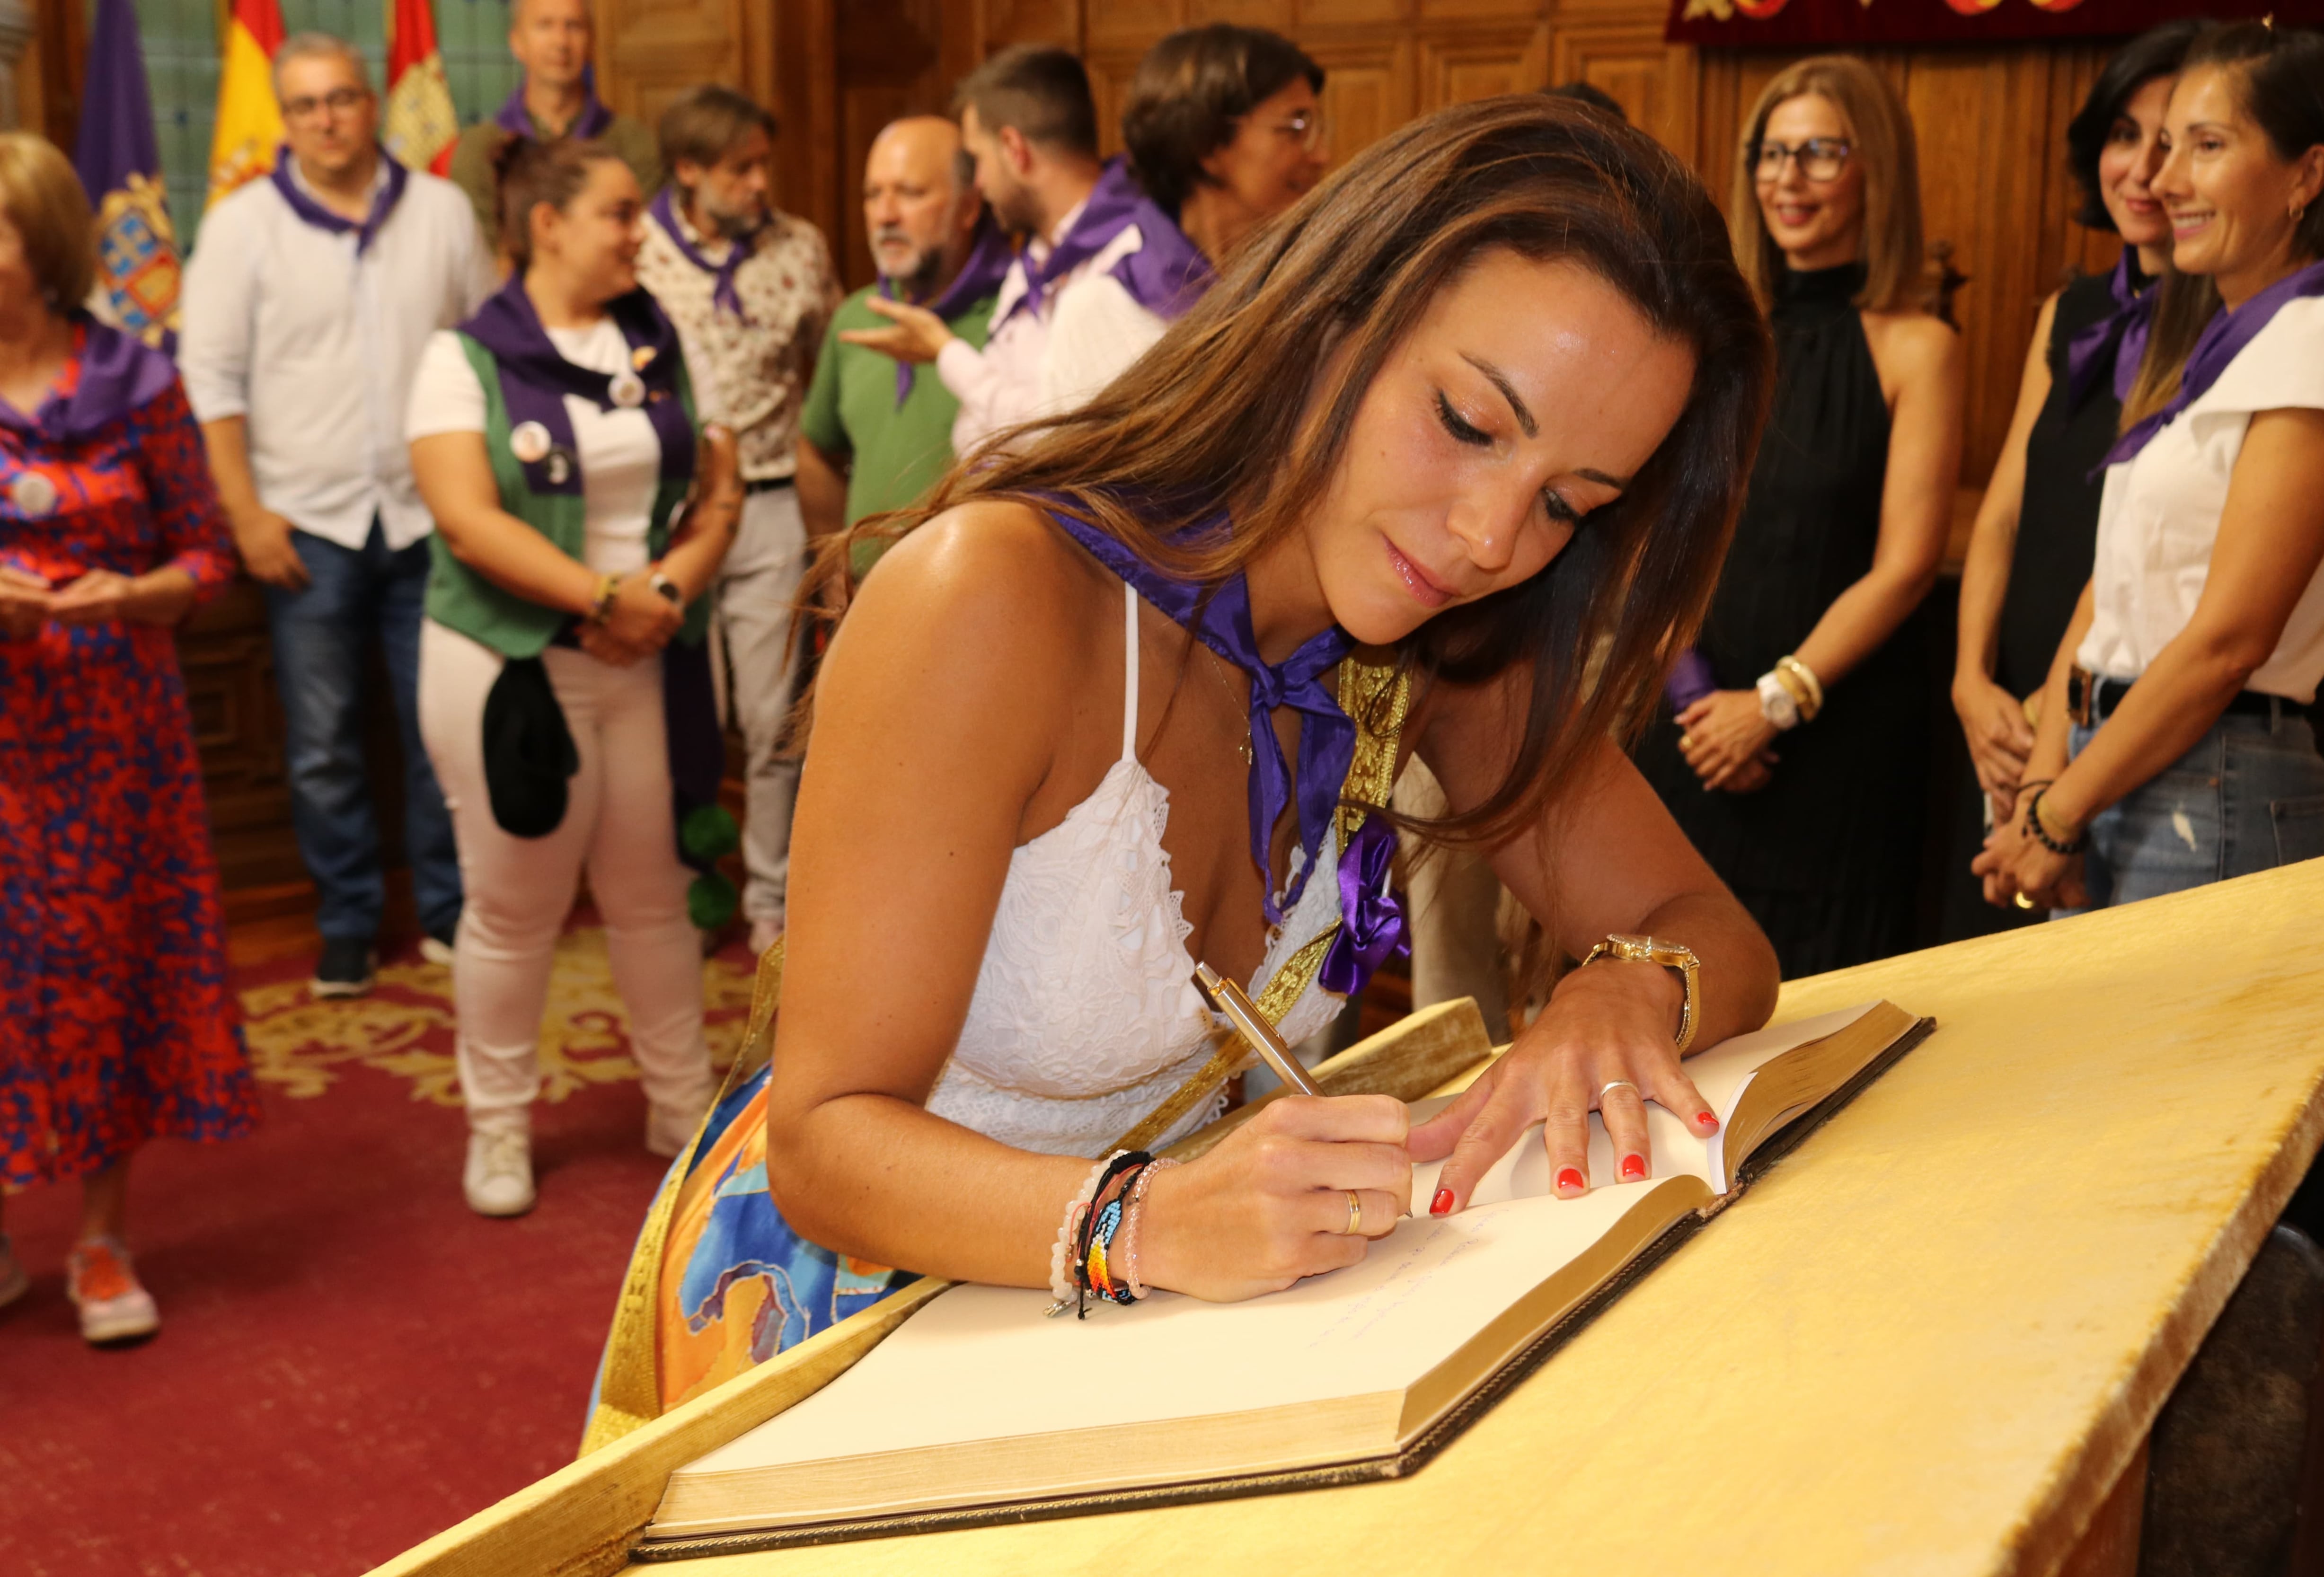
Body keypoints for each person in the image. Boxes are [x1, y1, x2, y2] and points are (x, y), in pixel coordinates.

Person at [583, 96, 1781, 1432]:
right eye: (1466, 419)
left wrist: (1627, 990)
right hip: (852, 1323)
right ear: (1335, 315)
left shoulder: (1446, 638)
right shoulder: (997, 598)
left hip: (1156, 1321)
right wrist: (1143, 1218)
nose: (1495, 535)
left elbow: (1712, 931)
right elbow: (826, 1144)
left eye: (1571, 503)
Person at [407, 137, 746, 1216]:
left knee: (651, 896)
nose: (638, 231)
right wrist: (601, 600)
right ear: (545, 225)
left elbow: (719, 496)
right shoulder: (461, 359)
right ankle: (498, 1129)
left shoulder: (657, 339)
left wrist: (660, 597)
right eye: (616, 213)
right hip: (508, 665)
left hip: (642, 650)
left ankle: (681, 1107)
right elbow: (466, 519)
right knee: (515, 907)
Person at [1977, 23, 2324, 916]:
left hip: (2215, 781)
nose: (2163, 180)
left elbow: (2229, 642)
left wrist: (2058, 816)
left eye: (2208, 145)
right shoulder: (2218, 338)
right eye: (2162, 146)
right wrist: (2048, 774)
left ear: (2308, 175)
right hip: (2119, 766)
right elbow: (2110, 588)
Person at [0, 132, 256, 1345]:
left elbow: (207, 555)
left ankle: (102, 1241)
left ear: (40, 248)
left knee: (104, 973)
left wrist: (130, 593)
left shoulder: (139, 380)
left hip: (112, 735)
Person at [180, 34, 496, 996]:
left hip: (429, 520)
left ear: (374, 104)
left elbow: (485, 353)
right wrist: (244, 513)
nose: (328, 119)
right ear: (286, 118)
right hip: (303, 527)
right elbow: (211, 378)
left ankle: (447, 910)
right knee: (320, 744)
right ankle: (349, 921)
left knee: (438, 728)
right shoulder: (240, 228)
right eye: (308, 105)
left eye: (344, 99)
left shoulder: (441, 212)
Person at [1635, 56, 1963, 979]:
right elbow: (1655, 535)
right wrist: (1702, 704)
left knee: (1829, 1019)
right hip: (1694, 726)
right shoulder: (1705, 336)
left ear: (1876, 171)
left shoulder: (1917, 349)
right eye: (1772, 154)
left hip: (1835, 738)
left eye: (1819, 152)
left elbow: (1905, 565)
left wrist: (1773, 706)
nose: (1788, 177)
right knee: (1672, 1000)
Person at [1944, 23, 2201, 942]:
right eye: (2124, 135)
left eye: (2175, 140)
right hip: (2005, 713)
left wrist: (2049, 730)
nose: (2142, 168)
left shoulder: (2230, 317)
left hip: (2118, 719)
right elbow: (2003, 513)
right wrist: (1971, 682)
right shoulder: (2071, 310)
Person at [637, 85, 839, 956]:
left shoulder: (798, 247)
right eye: (739, 168)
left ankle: (767, 896)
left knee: (767, 719)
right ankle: (678, 883)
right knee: (671, 716)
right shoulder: (637, 249)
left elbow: (826, 363)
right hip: (666, 517)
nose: (761, 182)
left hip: (767, 506)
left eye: (766, 164)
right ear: (688, 172)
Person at [842, 45, 1211, 458]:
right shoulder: (1034, 261)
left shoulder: (1137, 258)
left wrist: (948, 354)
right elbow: (975, 432)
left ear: (1014, 150)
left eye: (978, 160)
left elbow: (1071, 441)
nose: (977, 184)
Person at [797, 117, 1000, 576]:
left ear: (968, 208)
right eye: (873, 194)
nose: (886, 215)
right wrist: (832, 562)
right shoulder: (853, 317)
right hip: (865, 607)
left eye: (909, 193)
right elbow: (815, 450)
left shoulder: (1012, 316)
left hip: (971, 606)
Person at [446, 0, 662, 253]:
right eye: (544, 26)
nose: (561, 42)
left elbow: (643, 241)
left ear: (591, 41)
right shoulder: (480, 148)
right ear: (517, 42)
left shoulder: (633, 142)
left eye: (573, 26)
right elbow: (480, 252)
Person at [1120, 25, 1327, 267]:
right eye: (1295, 128)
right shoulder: (1112, 300)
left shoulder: (1306, 274)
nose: (1322, 156)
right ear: (1207, 143)